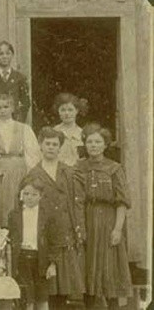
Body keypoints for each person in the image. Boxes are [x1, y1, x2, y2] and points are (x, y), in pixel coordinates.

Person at [26, 127, 86, 309]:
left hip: (66, 230)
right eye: (47, 144)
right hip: (45, 233)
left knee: (65, 284)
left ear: (59, 147)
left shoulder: (68, 172)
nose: (51, 148)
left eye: (55, 144)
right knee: (47, 284)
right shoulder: (33, 174)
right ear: (40, 145)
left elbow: (78, 202)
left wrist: (79, 229)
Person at [76, 123, 132, 309]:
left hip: (108, 220)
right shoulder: (78, 168)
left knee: (110, 267)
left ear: (105, 144)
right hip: (85, 219)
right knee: (87, 266)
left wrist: (117, 229)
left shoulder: (114, 168)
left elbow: (122, 202)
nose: (93, 145)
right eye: (90, 141)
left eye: (97, 142)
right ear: (85, 143)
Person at [0, 94, 41, 227]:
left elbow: (32, 154)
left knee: (17, 201)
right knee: (1, 203)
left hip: (18, 171)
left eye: (6, 107)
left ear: (12, 108)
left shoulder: (24, 128)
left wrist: (30, 177)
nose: (2, 110)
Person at [8, 177, 56, 310]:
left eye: (34, 194)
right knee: (26, 295)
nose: (29, 197)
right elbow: (11, 238)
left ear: (41, 196)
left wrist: (52, 263)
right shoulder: (14, 215)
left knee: (42, 296)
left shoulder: (47, 215)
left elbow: (53, 241)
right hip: (22, 258)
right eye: (26, 194)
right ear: (21, 194)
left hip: (40, 259)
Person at [52, 93, 88, 166]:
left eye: (70, 110)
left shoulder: (82, 133)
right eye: (63, 110)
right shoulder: (53, 132)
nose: (67, 113)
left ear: (77, 111)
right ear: (58, 111)